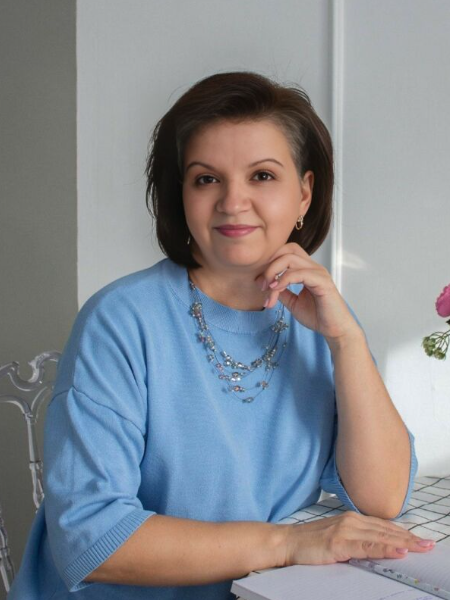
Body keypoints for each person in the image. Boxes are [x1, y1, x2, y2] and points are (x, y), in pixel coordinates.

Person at [8, 71, 434, 600]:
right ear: (181, 195)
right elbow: (91, 539)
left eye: (262, 176)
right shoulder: (120, 320)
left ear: (304, 193)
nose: (233, 201)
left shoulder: (320, 319)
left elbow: (382, 497)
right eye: (206, 179)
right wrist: (288, 543)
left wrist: (346, 339)